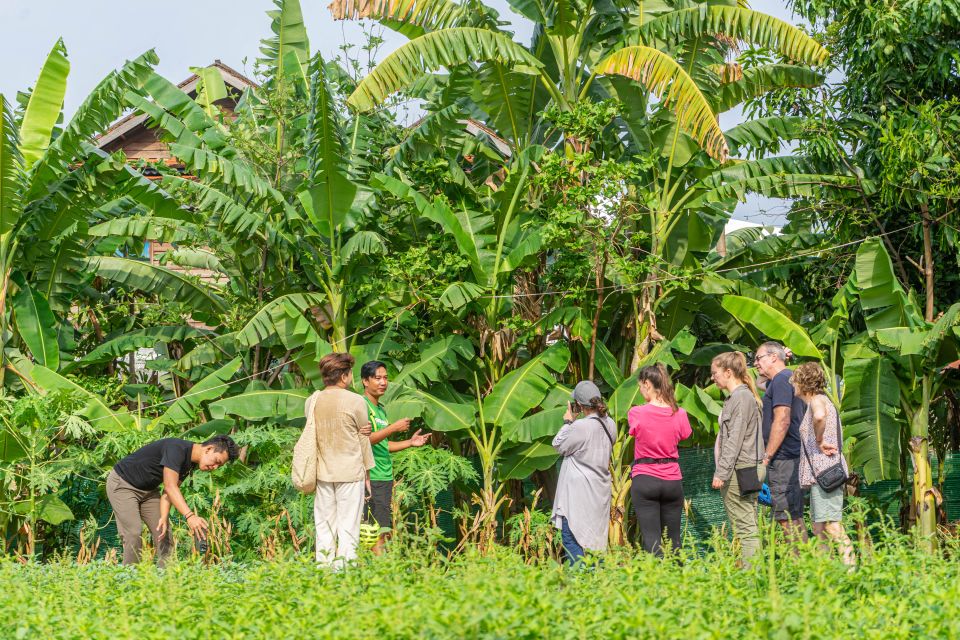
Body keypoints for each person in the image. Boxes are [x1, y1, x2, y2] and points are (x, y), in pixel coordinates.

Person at [106, 434, 240, 565]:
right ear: (209, 449)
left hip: (148, 491)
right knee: (134, 533)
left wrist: (163, 517)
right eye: (216, 461)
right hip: (123, 484)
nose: (215, 467)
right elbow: (170, 486)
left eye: (219, 466)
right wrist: (190, 516)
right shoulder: (176, 449)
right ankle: (129, 580)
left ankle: (166, 578)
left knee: (163, 532)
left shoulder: (190, 463)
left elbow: (168, 491)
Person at [311, 352, 376, 567]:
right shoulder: (356, 401)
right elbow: (363, 438)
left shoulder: (312, 401)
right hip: (350, 472)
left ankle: (324, 572)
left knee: (324, 526)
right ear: (344, 376)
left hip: (322, 473)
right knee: (348, 527)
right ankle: (344, 574)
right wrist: (367, 473)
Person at [360, 360, 431, 553]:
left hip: (384, 476)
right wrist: (393, 428)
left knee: (383, 527)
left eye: (385, 378)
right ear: (365, 381)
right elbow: (364, 441)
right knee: (376, 530)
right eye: (377, 378)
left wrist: (410, 442)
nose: (383, 382)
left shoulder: (381, 409)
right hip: (371, 476)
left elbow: (383, 444)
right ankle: (379, 573)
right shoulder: (362, 406)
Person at [792, 362, 855, 565]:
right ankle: (826, 574)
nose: (793, 384)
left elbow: (820, 416)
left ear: (803, 382)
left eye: (795, 380)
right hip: (820, 474)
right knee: (819, 527)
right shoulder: (818, 400)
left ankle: (851, 570)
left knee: (832, 526)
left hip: (824, 473)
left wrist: (819, 440)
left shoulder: (817, 400)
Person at [628, 364, 692, 557]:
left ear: (647, 383)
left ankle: (656, 582)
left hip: (645, 478)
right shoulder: (679, 413)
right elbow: (685, 435)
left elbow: (634, 431)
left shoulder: (637, 412)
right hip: (672, 479)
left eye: (640, 386)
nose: (640, 391)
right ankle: (679, 582)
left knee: (651, 540)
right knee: (674, 540)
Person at [551, 380, 616, 565]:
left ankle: (579, 588)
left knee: (573, 543)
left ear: (579, 405)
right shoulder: (610, 424)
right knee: (595, 546)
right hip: (599, 495)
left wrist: (568, 422)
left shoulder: (580, 427)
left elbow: (559, 445)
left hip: (577, 498)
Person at [710, 352, 765, 568]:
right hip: (748, 468)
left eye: (715, 373)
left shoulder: (741, 398)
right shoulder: (743, 397)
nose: (713, 378)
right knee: (749, 525)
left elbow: (735, 439)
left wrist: (721, 472)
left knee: (745, 529)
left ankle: (752, 580)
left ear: (729, 372)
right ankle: (755, 573)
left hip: (740, 470)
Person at [754, 341, 808, 543]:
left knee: (787, 517)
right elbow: (760, 382)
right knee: (790, 515)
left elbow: (783, 419)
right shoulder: (782, 379)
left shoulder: (781, 380)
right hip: (787, 457)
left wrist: (767, 456)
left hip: (784, 457)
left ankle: (800, 567)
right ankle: (802, 564)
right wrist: (782, 357)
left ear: (773, 358)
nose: (755, 363)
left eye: (758, 358)